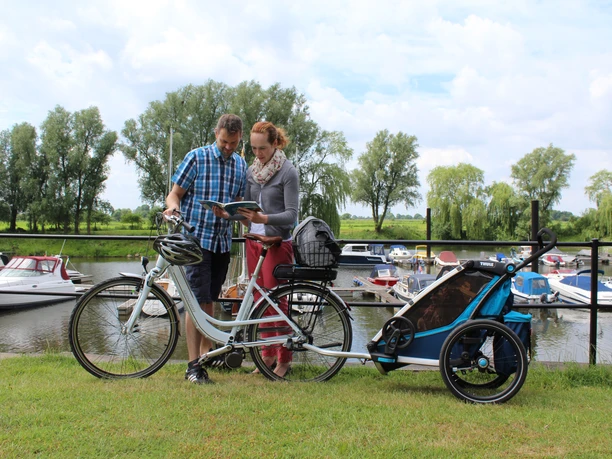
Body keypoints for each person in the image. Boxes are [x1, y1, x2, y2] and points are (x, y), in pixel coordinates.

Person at [164, 114, 247, 384]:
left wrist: (231, 214)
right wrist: (173, 207)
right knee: (196, 302)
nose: (228, 147)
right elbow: (174, 193)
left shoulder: (240, 165)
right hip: (196, 240)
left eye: (233, 143)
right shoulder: (196, 158)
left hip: (222, 242)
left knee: (210, 300)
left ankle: (206, 356)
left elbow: (239, 208)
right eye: (224, 141)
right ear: (216, 133)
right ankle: (192, 366)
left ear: (239, 139)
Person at [236, 121, 299, 377]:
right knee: (259, 301)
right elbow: (247, 211)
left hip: (276, 244)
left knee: (277, 303)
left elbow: (292, 216)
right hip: (254, 242)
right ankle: (267, 356)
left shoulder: (288, 172)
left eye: (262, 148)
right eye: (253, 148)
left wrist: (265, 219)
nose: (258, 153)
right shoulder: (252, 172)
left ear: (275, 143)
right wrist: (232, 213)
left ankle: (284, 359)